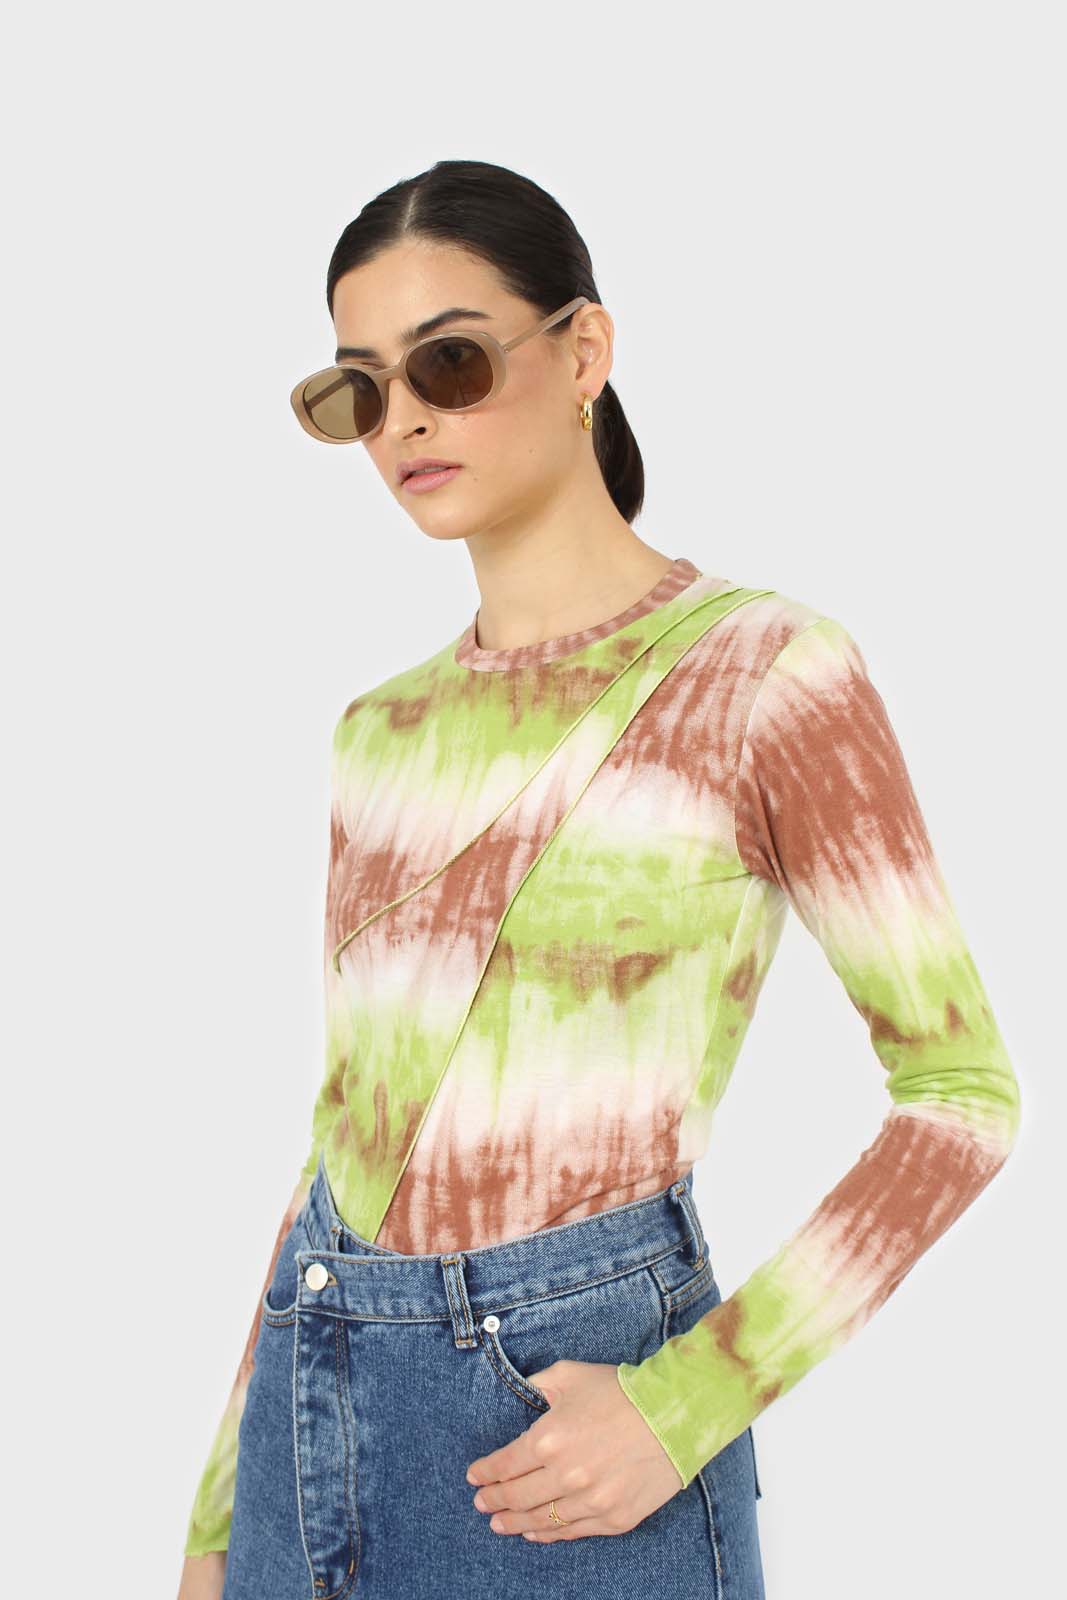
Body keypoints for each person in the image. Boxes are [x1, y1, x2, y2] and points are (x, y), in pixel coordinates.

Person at [177, 159, 1021, 1600]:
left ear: (585, 351)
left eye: (449, 361)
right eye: (362, 390)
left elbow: (963, 1100)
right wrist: (218, 1521)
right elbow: (343, 1136)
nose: (406, 420)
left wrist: (688, 1404)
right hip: (307, 1424)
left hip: (573, 1439)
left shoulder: (766, 674)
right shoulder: (381, 732)